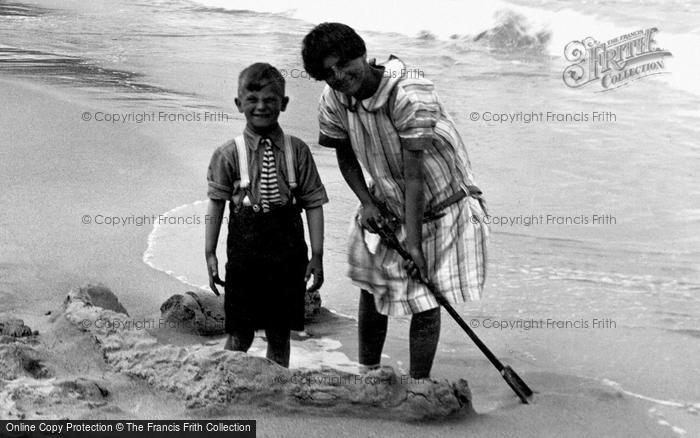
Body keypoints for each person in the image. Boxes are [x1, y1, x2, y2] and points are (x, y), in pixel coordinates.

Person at [302, 23, 488, 379]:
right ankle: (367, 372)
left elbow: (415, 175)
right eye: (328, 73)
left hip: (441, 202)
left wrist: (414, 246)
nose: (339, 76)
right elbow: (344, 154)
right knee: (372, 289)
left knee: (426, 299)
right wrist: (367, 203)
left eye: (343, 64)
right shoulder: (334, 100)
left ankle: (420, 383)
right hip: (387, 200)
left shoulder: (408, 93)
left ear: (361, 53)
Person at [205, 63, 328, 367]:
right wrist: (209, 252)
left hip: (288, 251)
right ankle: (224, 377)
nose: (261, 107)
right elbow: (216, 204)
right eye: (252, 100)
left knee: (279, 331)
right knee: (240, 332)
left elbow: (313, 203)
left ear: (283, 104)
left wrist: (318, 255)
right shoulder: (228, 153)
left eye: (270, 100)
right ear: (239, 104)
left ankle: (277, 389)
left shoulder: (297, 151)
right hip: (245, 251)